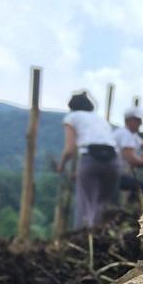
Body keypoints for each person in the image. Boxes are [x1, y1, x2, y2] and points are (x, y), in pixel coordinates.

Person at [57, 91, 119, 230]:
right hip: (113, 160)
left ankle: (83, 235)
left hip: (90, 158)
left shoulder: (71, 117)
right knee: (101, 203)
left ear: (72, 106)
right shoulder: (101, 119)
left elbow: (70, 148)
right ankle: (101, 232)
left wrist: (61, 165)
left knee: (85, 203)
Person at [113, 107, 143, 202]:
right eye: (138, 120)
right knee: (140, 187)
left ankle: (130, 205)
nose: (141, 123)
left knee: (138, 187)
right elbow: (132, 161)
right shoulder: (125, 135)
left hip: (115, 174)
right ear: (128, 120)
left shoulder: (131, 135)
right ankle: (132, 206)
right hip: (113, 175)